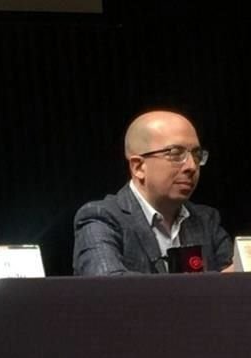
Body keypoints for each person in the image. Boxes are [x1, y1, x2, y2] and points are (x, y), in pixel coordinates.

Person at [73, 110, 233, 275]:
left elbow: (241, 280)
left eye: (196, 155)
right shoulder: (101, 217)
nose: (192, 166)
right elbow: (108, 287)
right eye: (176, 154)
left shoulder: (206, 220)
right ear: (139, 167)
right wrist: (212, 283)